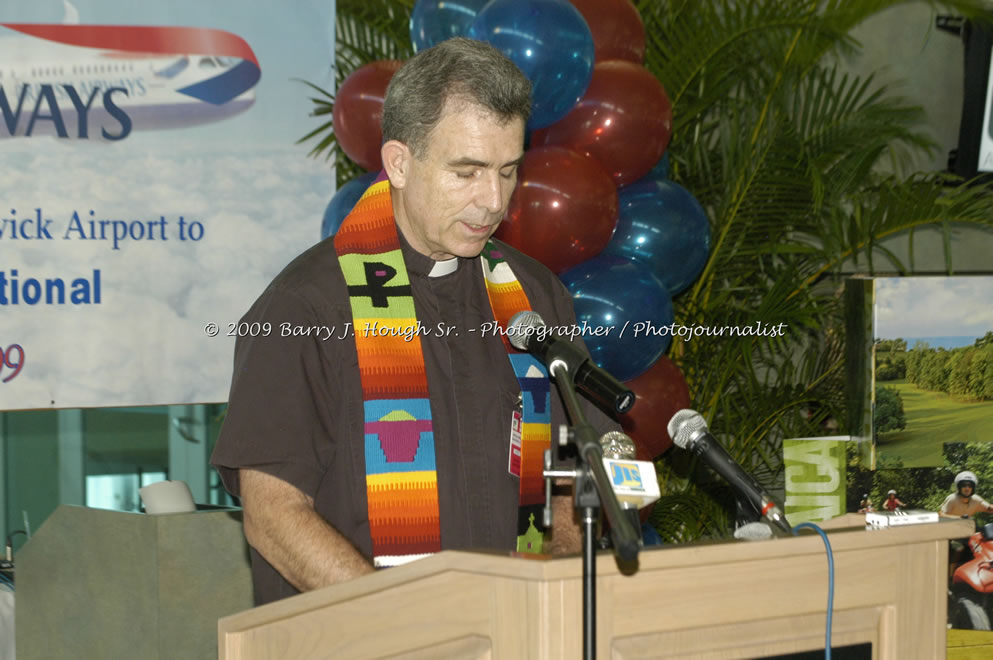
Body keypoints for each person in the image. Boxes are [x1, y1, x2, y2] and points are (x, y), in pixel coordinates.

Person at [210, 38, 620, 605]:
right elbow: (273, 516)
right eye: (467, 172)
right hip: (362, 631)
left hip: (515, 625)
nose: (492, 200)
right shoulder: (304, 306)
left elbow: (573, 462)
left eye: (507, 171)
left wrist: (557, 579)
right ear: (399, 163)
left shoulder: (533, 294)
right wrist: (404, 620)